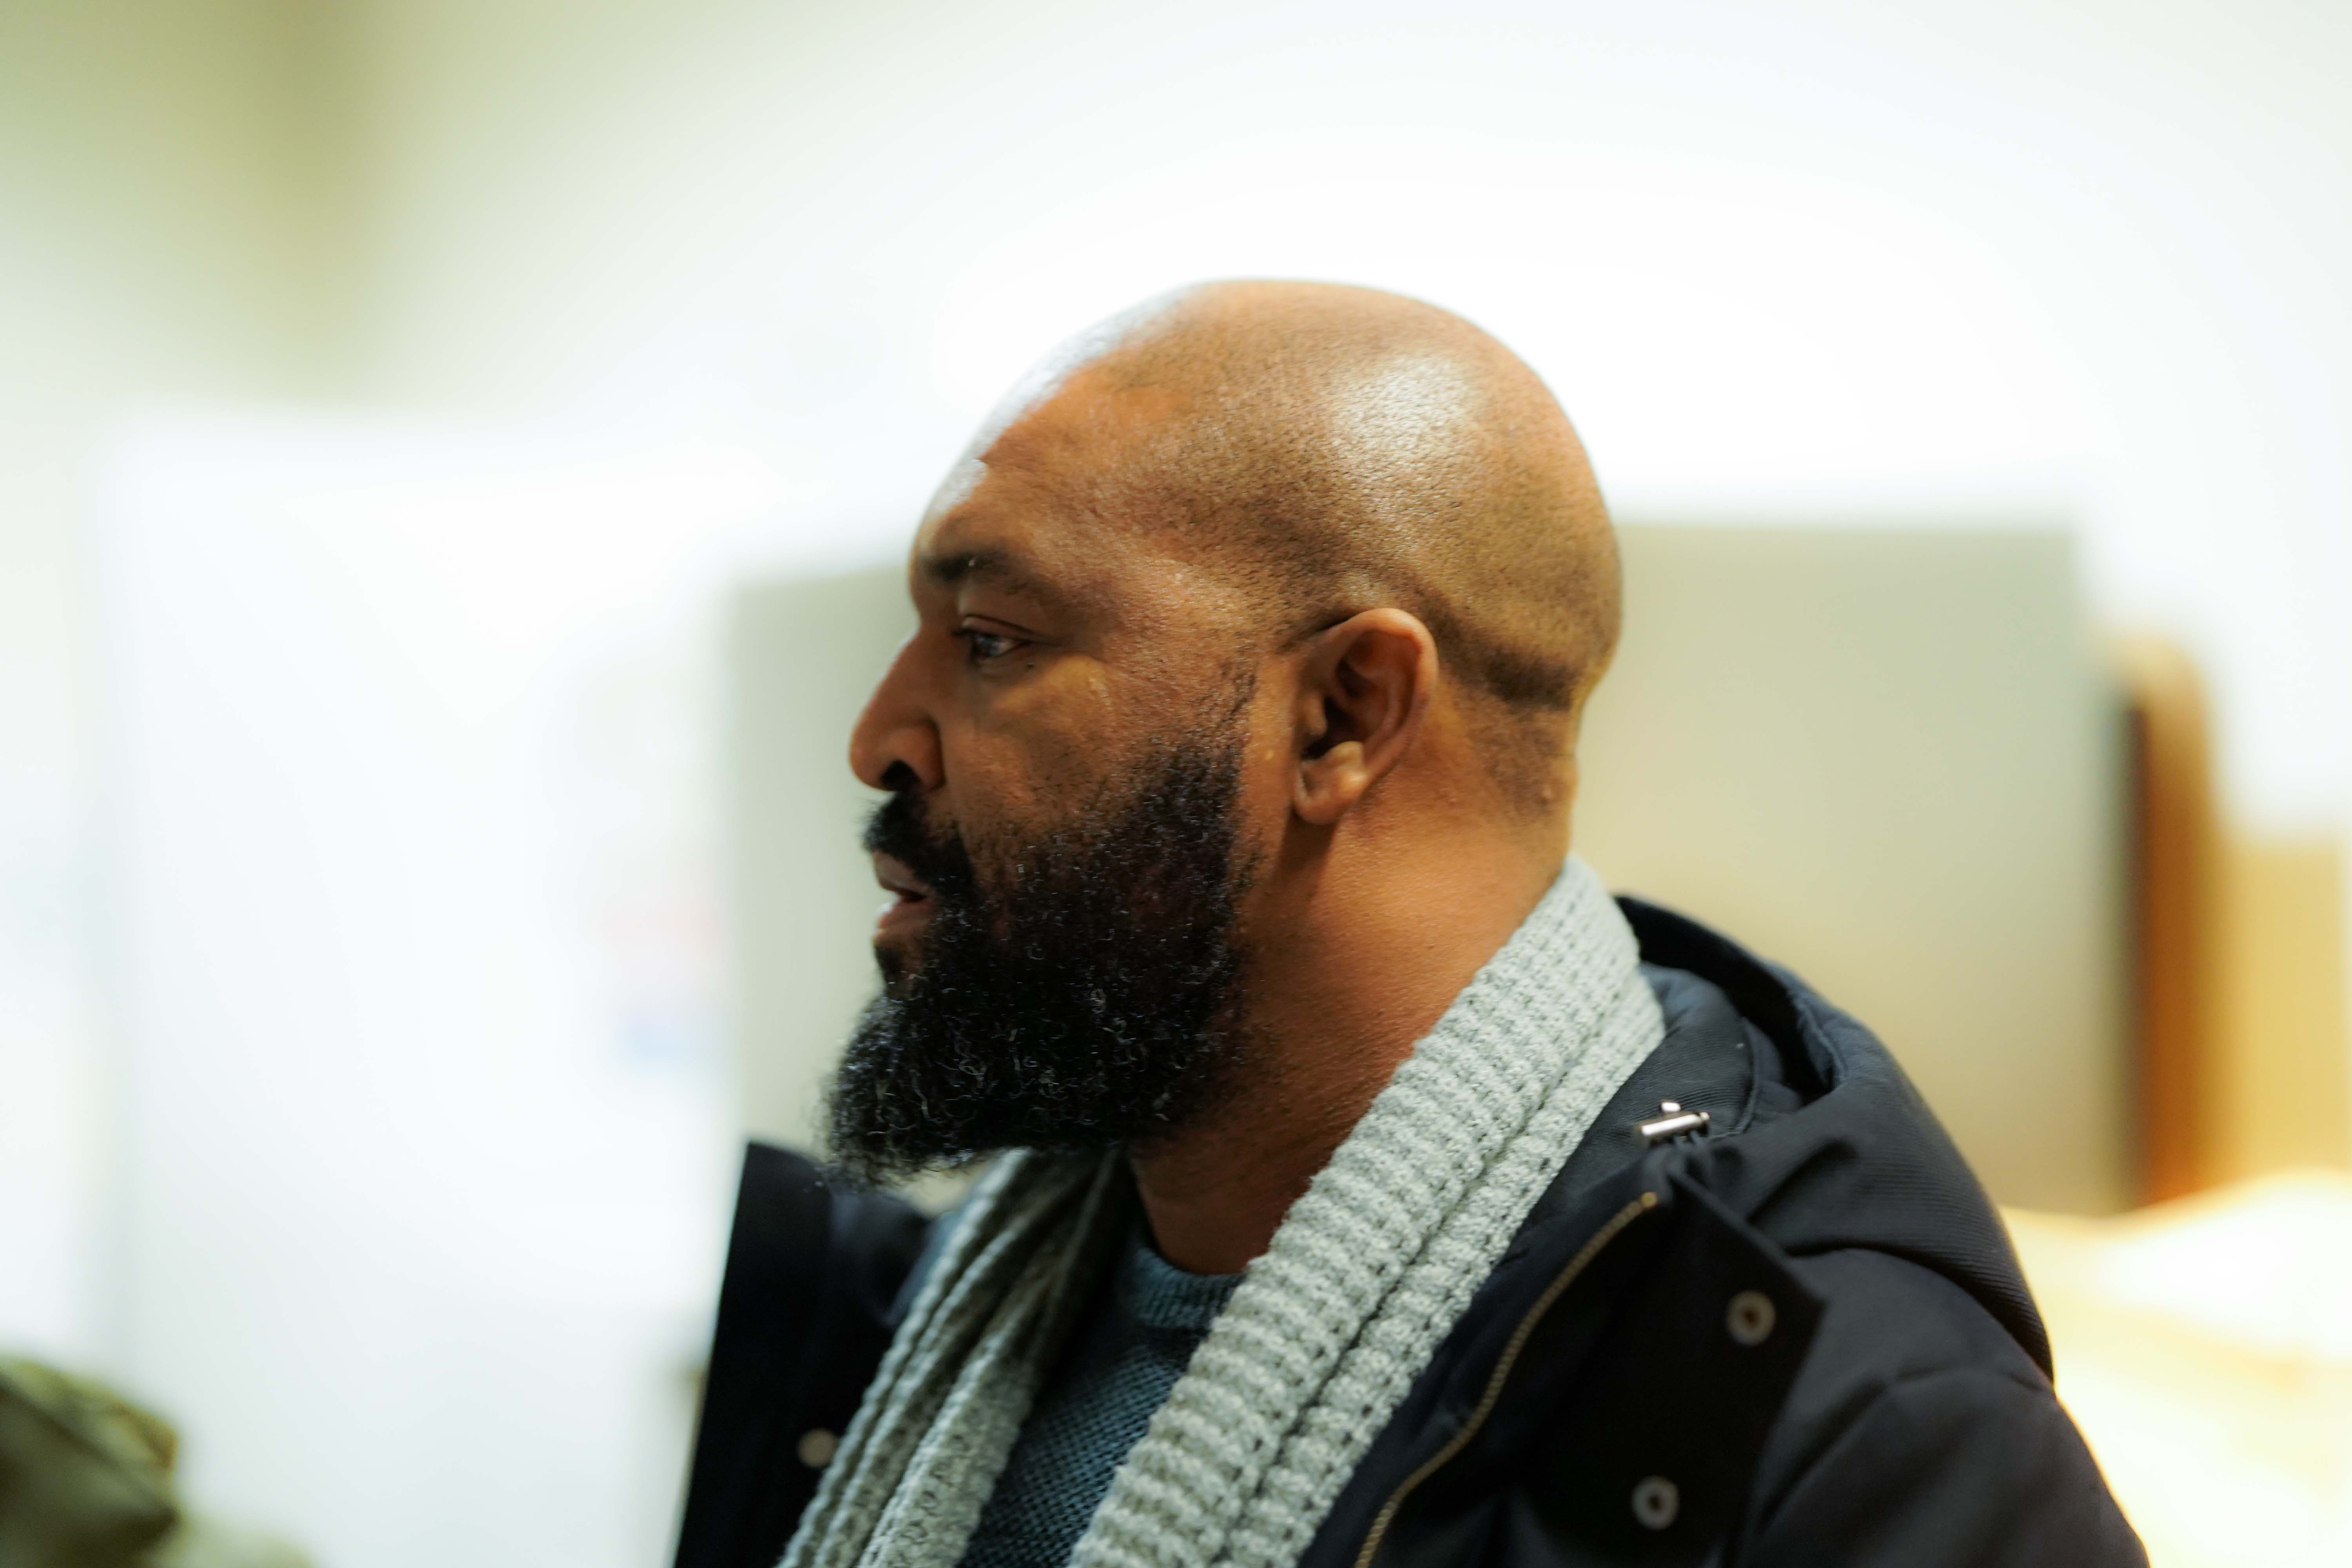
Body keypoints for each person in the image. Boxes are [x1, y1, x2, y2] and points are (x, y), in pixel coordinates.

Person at [673, 282, 2144, 1568]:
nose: (878, 737)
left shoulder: (1850, 1435)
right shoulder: (920, 1316)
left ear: (1343, 714)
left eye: (992, 641)